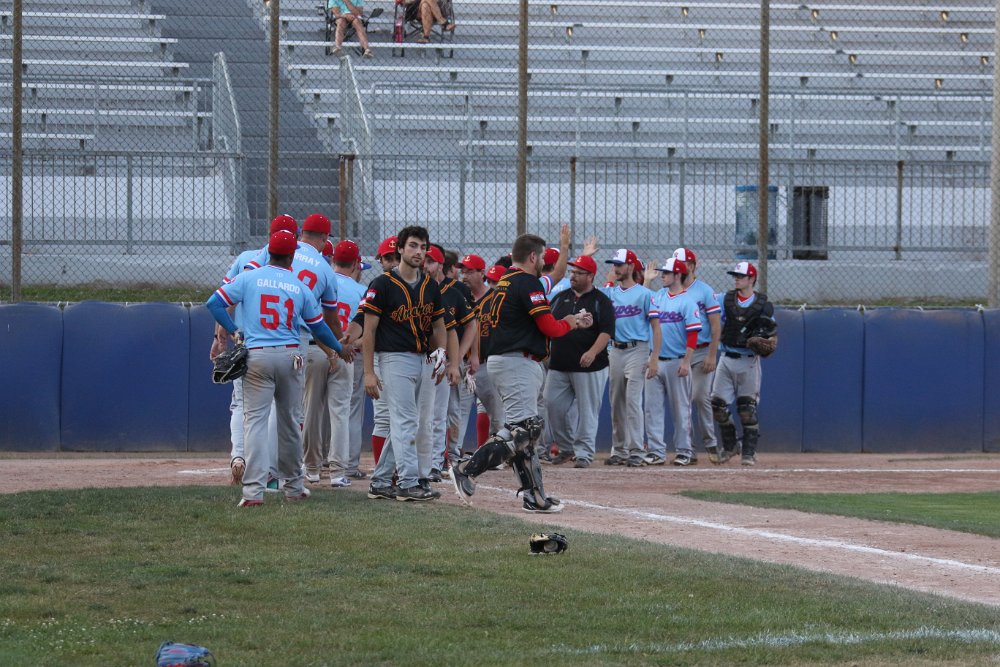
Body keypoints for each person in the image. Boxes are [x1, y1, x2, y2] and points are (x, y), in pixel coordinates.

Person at [451, 233, 588, 513]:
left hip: (507, 361)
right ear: (533, 257)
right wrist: (570, 322)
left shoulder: (505, 281)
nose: (544, 264)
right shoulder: (526, 282)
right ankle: (466, 469)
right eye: (542, 258)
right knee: (524, 430)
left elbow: (551, 282)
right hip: (516, 362)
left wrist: (564, 248)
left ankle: (535, 497)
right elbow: (549, 327)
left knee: (525, 432)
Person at [206, 230, 344, 507]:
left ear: (268, 253)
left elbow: (214, 303)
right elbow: (319, 327)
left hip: (257, 355)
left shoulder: (248, 277)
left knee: (255, 423)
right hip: (291, 356)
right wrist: (339, 348)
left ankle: (253, 493)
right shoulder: (299, 285)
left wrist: (233, 331)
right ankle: (293, 487)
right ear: (292, 257)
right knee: (290, 423)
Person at [362, 226, 460, 502]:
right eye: (413, 245)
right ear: (401, 249)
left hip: (424, 358)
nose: (419, 252)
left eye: (423, 247)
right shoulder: (381, 284)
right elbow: (369, 331)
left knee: (412, 422)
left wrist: (441, 356)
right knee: (405, 420)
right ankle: (407, 483)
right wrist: (368, 372)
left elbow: (439, 326)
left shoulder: (430, 285)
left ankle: (381, 481)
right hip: (394, 358)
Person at [211, 214, 298, 486]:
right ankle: (270, 470)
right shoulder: (292, 267)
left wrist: (220, 334)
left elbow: (224, 299)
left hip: (245, 343)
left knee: (240, 405)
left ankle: (238, 457)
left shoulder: (245, 258)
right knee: (275, 410)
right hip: (282, 345)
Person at [543, 255, 614, 468]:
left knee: (587, 412)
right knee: (551, 404)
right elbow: (549, 325)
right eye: (572, 271)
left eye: (578, 272)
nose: (573, 275)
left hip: (590, 366)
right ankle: (566, 447)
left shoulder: (601, 301)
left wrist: (592, 352)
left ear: (590, 276)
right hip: (559, 364)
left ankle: (584, 453)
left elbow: (606, 332)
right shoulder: (560, 298)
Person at [711, 261, 777, 467]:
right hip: (726, 357)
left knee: (747, 408)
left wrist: (768, 344)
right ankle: (730, 446)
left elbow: (772, 334)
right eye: (735, 276)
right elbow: (707, 306)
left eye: (740, 276)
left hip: (748, 361)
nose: (736, 279)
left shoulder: (762, 305)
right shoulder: (725, 299)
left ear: (751, 279)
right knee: (717, 405)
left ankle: (749, 452)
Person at [600, 248, 661, 467]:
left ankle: (637, 450)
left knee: (633, 401)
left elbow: (656, 327)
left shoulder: (645, 294)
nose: (615, 268)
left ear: (631, 266)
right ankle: (620, 450)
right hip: (616, 350)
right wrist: (608, 282)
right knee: (616, 401)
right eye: (614, 265)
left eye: (619, 265)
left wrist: (654, 357)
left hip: (638, 349)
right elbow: (597, 299)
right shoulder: (611, 293)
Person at [645, 258, 701, 466]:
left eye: (667, 273)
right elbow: (642, 301)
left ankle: (684, 451)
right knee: (652, 409)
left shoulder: (687, 301)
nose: (662, 275)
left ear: (678, 275)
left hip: (677, 361)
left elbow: (693, 334)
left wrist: (687, 362)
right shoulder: (658, 296)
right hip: (655, 361)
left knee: (681, 410)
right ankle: (656, 451)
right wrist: (647, 281)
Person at [324, 240, 370, 487]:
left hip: (319, 347)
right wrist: (350, 345)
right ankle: (348, 465)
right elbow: (370, 330)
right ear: (355, 265)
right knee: (348, 410)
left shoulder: (323, 281)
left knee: (315, 409)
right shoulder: (362, 291)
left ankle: (315, 462)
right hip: (350, 353)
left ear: (333, 260)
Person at [672, 247, 722, 463]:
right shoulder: (670, 291)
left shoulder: (704, 291)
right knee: (683, 402)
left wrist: (712, 354)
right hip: (679, 353)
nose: (677, 267)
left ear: (691, 266)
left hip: (701, 351)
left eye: (681, 263)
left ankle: (710, 442)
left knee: (700, 396)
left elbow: (715, 325)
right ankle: (688, 449)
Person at [421, 244, 465, 483]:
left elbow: (452, 331)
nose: (425, 265)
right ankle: (418, 462)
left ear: (440, 265)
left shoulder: (443, 293)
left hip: (437, 358)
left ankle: (435, 463)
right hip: (412, 357)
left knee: (438, 416)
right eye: (424, 260)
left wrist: (454, 363)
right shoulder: (412, 288)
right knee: (416, 416)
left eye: (430, 261)